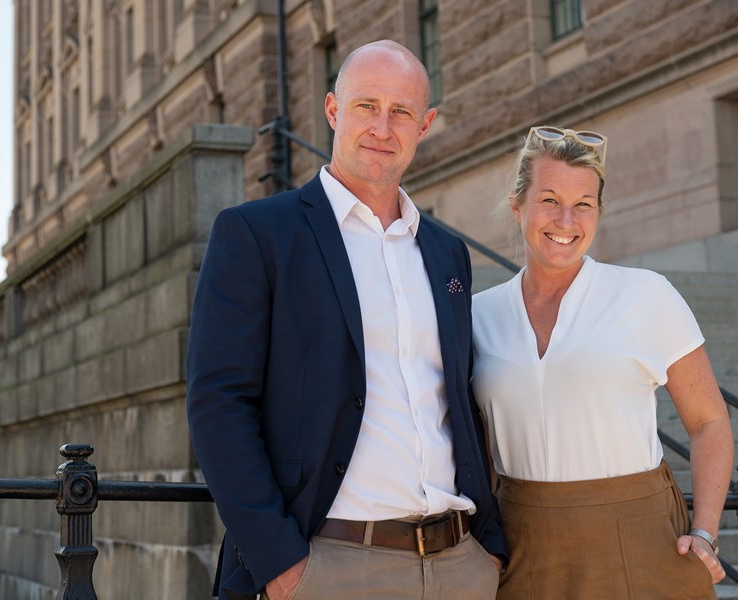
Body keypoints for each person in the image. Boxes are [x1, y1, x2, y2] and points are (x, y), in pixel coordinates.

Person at [186, 40, 507, 600]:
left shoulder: (446, 253)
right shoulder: (259, 234)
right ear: (333, 111)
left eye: (401, 112)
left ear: (424, 124)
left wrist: (491, 548)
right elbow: (218, 403)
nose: (383, 127)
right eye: (366, 106)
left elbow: (460, 401)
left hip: (459, 567)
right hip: (327, 567)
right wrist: (279, 565)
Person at [471, 125, 734, 598]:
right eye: (549, 199)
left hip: (638, 534)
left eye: (584, 204)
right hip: (523, 542)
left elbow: (709, 420)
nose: (566, 219)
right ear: (518, 206)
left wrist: (706, 531)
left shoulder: (645, 295)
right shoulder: (478, 315)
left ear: (598, 212)